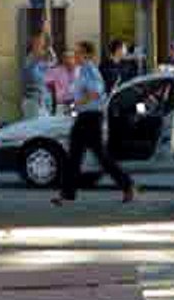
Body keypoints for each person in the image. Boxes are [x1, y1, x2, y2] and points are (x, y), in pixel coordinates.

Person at [52, 41, 135, 207]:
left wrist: (76, 104)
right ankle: (67, 194)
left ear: (87, 55)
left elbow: (95, 92)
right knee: (76, 155)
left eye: (78, 53)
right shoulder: (82, 70)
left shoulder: (89, 69)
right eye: (75, 52)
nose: (75, 56)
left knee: (97, 156)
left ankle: (127, 185)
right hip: (85, 117)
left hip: (90, 118)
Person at [22, 32, 56, 118]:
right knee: (35, 128)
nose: (42, 47)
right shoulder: (30, 60)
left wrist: (49, 46)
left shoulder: (40, 64)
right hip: (33, 102)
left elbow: (53, 61)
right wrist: (44, 44)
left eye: (42, 44)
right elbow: (40, 56)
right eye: (39, 44)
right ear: (33, 44)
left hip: (43, 101)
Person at [45, 49, 78, 115]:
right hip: (61, 104)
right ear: (63, 59)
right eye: (65, 57)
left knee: (74, 121)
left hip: (75, 103)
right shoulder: (56, 71)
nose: (68, 60)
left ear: (75, 59)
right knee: (61, 123)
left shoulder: (81, 71)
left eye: (71, 57)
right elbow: (45, 81)